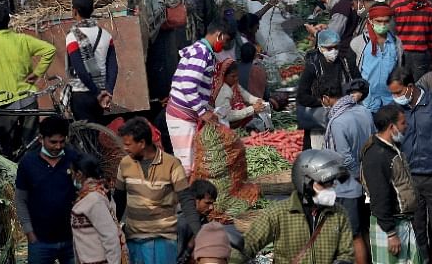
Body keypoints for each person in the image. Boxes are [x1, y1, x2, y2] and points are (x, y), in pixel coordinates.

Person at [387, 68, 432, 261]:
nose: (395, 97)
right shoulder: (395, 111)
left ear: (410, 87)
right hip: (410, 179)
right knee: (416, 228)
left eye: (398, 92)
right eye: (392, 93)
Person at [241, 149, 356, 264]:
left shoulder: (339, 214)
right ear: (306, 183)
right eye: (323, 184)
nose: (329, 189)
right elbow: (246, 245)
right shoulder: (278, 213)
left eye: (331, 184)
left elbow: (346, 253)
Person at [0, 4, 57, 155]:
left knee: (7, 148)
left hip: (6, 102)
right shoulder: (22, 39)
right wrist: (37, 73)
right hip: (28, 98)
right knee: (32, 144)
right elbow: (50, 50)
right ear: (9, 21)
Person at [115, 117, 195, 264]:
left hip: (162, 239)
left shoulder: (172, 164)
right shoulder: (125, 164)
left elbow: (186, 200)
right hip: (134, 239)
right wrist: (115, 229)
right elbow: (119, 199)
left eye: (128, 144)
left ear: (142, 143)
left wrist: (198, 232)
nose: (124, 148)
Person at [320, 78, 374, 264]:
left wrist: (358, 177)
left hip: (350, 185)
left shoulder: (337, 122)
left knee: (354, 234)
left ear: (326, 98)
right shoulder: (364, 111)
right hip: (368, 177)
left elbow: (345, 159)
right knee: (366, 228)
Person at [362, 103, 423, 263]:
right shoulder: (376, 156)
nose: (406, 126)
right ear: (391, 127)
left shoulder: (391, 147)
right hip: (389, 226)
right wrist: (391, 233)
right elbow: (379, 197)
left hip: (402, 222)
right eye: (403, 123)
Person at [166, 21, 232, 169]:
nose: (224, 45)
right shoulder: (201, 53)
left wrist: (207, 109)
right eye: (225, 40)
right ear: (219, 35)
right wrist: (203, 112)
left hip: (185, 113)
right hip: (181, 115)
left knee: (193, 163)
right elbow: (188, 85)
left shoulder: (201, 50)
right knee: (187, 167)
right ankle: (184, 192)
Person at [14, 115, 76, 263]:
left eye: (62, 141)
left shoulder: (73, 159)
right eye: (53, 142)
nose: (58, 146)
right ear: (41, 139)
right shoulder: (28, 164)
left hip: (71, 241)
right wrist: (29, 232)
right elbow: (20, 200)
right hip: (40, 242)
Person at [64, 0, 118, 124]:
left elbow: (80, 70)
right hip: (101, 92)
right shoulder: (106, 35)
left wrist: (96, 92)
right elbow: (113, 67)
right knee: (97, 133)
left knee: (86, 137)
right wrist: (107, 91)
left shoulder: (73, 36)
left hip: (81, 93)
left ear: (74, 11)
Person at [70, 153, 125, 264]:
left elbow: (111, 238)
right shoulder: (96, 192)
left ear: (79, 174)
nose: (71, 177)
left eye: (72, 173)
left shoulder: (95, 199)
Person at [391, 0, 432, 79]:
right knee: (421, 89)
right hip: (422, 57)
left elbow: (392, 35)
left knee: (403, 90)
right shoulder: (428, 7)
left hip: (401, 56)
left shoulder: (396, 7)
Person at [356, 4, 402, 112]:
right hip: (368, 102)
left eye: (386, 21)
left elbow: (399, 68)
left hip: (390, 100)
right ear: (371, 21)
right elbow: (355, 71)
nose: (382, 25)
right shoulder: (360, 43)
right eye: (378, 21)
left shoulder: (396, 43)